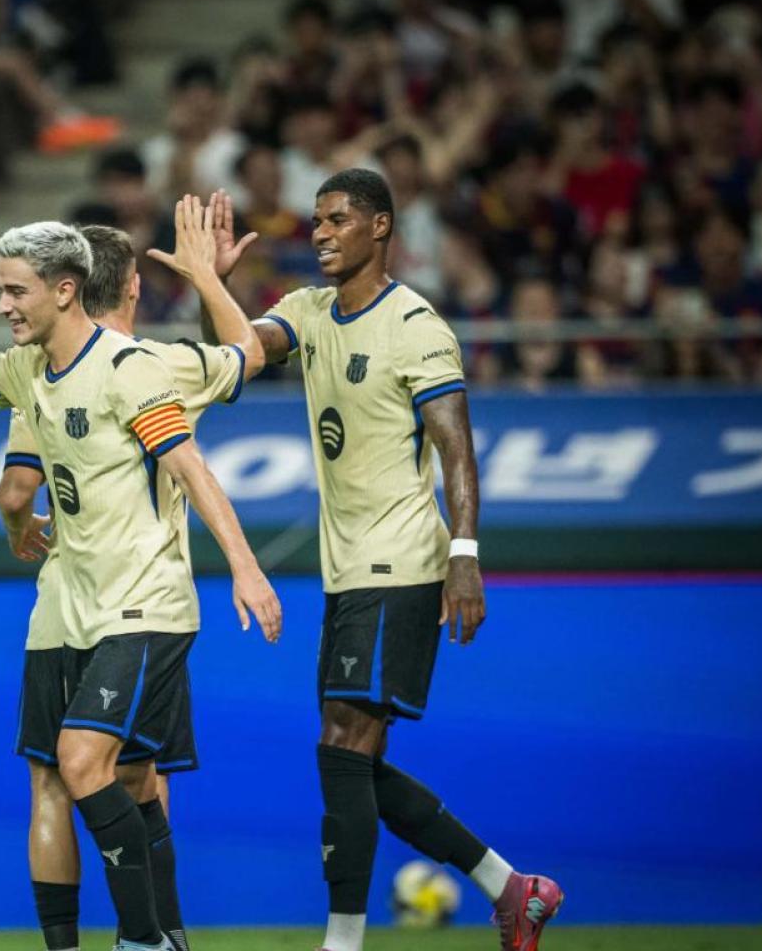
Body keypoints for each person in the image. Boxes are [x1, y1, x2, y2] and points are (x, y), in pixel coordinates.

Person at [0, 219, 282, 951]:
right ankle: (156, 937)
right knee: (115, 777)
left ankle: (145, 938)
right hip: (71, 608)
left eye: (15, 291)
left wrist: (246, 567)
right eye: (0, 289)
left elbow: (191, 465)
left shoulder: (129, 368)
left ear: (66, 291)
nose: (3, 305)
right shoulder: (26, 369)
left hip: (144, 605)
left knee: (74, 765)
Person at [224, 168, 563, 951]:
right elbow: (241, 354)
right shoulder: (307, 311)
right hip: (345, 571)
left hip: (402, 561)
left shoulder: (415, 324)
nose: (320, 233)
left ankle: (343, 943)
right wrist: (212, 278)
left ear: (380, 228)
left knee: (345, 744)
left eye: (338, 218)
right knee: (346, 758)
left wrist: (465, 556)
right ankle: (513, 889)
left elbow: (457, 451)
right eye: (316, 220)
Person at [0, 207, 268, 951]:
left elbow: (17, 491)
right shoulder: (166, 364)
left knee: (59, 776)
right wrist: (209, 279)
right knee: (140, 778)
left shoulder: (39, 372)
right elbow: (248, 351)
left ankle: (103, 942)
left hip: (67, 601)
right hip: (152, 597)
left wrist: (18, 527)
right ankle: (162, 933)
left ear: (69, 289)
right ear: (135, 288)